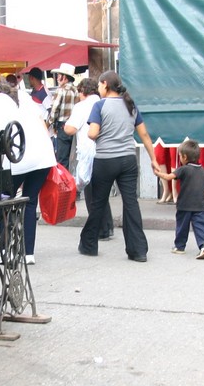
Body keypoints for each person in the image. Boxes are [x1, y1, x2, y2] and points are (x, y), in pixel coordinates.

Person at [0, 78, 56, 265]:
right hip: (43, 155)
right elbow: (41, 122)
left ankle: (6, 251)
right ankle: (28, 254)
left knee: (4, 204)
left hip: (20, 159)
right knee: (30, 202)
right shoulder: (21, 96)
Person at [78, 71, 159, 262]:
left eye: (99, 85)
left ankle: (89, 245)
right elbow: (145, 135)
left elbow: (92, 133)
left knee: (98, 203)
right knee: (131, 203)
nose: (98, 88)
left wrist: (96, 131)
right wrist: (154, 159)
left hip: (106, 160)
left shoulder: (99, 105)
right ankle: (138, 250)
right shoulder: (130, 105)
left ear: (105, 84)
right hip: (128, 160)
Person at [64, 77, 114, 241]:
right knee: (102, 190)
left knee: (91, 192)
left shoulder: (81, 106)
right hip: (106, 151)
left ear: (83, 91)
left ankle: (99, 228)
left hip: (88, 151)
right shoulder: (104, 103)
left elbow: (70, 129)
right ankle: (108, 225)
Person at [155, 139, 204, 260]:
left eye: (180, 156)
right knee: (200, 225)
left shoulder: (183, 169)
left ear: (185, 157)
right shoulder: (203, 170)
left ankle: (180, 246)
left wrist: (158, 173)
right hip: (199, 205)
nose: (180, 158)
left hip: (185, 205)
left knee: (182, 225)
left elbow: (168, 176)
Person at [48, 63, 79, 169]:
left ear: (64, 77)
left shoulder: (61, 90)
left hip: (62, 126)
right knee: (72, 157)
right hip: (74, 126)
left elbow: (54, 110)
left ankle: (63, 183)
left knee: (62, 159)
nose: (57, 77)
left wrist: (50, 123)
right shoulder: (76, 91)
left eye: (59, 75)